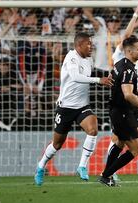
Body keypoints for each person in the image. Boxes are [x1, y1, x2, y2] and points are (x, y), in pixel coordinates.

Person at [34, 32, 114, 186]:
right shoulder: (71, 57)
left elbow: (92, 73)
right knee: (57, 144)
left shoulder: (88, 59)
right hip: (65, 107)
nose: (91, 47)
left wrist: (108, 74)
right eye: (88, 44)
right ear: (79, 45)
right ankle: (40, 166)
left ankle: (82, 166)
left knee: (93, 130)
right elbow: (75, 76)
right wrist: (99, 80)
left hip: (82, 106)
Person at [98, 36, 138, 187]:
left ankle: (106, 175)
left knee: (120, 143)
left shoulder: (119, 64)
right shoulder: (129, 68)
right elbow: (127, 95)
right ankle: (106, 175)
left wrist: (135, 90)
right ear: (129, 50)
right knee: (135, 149)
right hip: (123, 112)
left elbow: (116, 84)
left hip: (116, 109)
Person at [107, 0, 138, 180]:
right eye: (137, 47)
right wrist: (136, 14)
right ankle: (109, 171)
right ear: (128, 49)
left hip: (134, 97)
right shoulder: (120, 54)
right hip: (121, 99)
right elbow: (126, 35)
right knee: (118, 139)